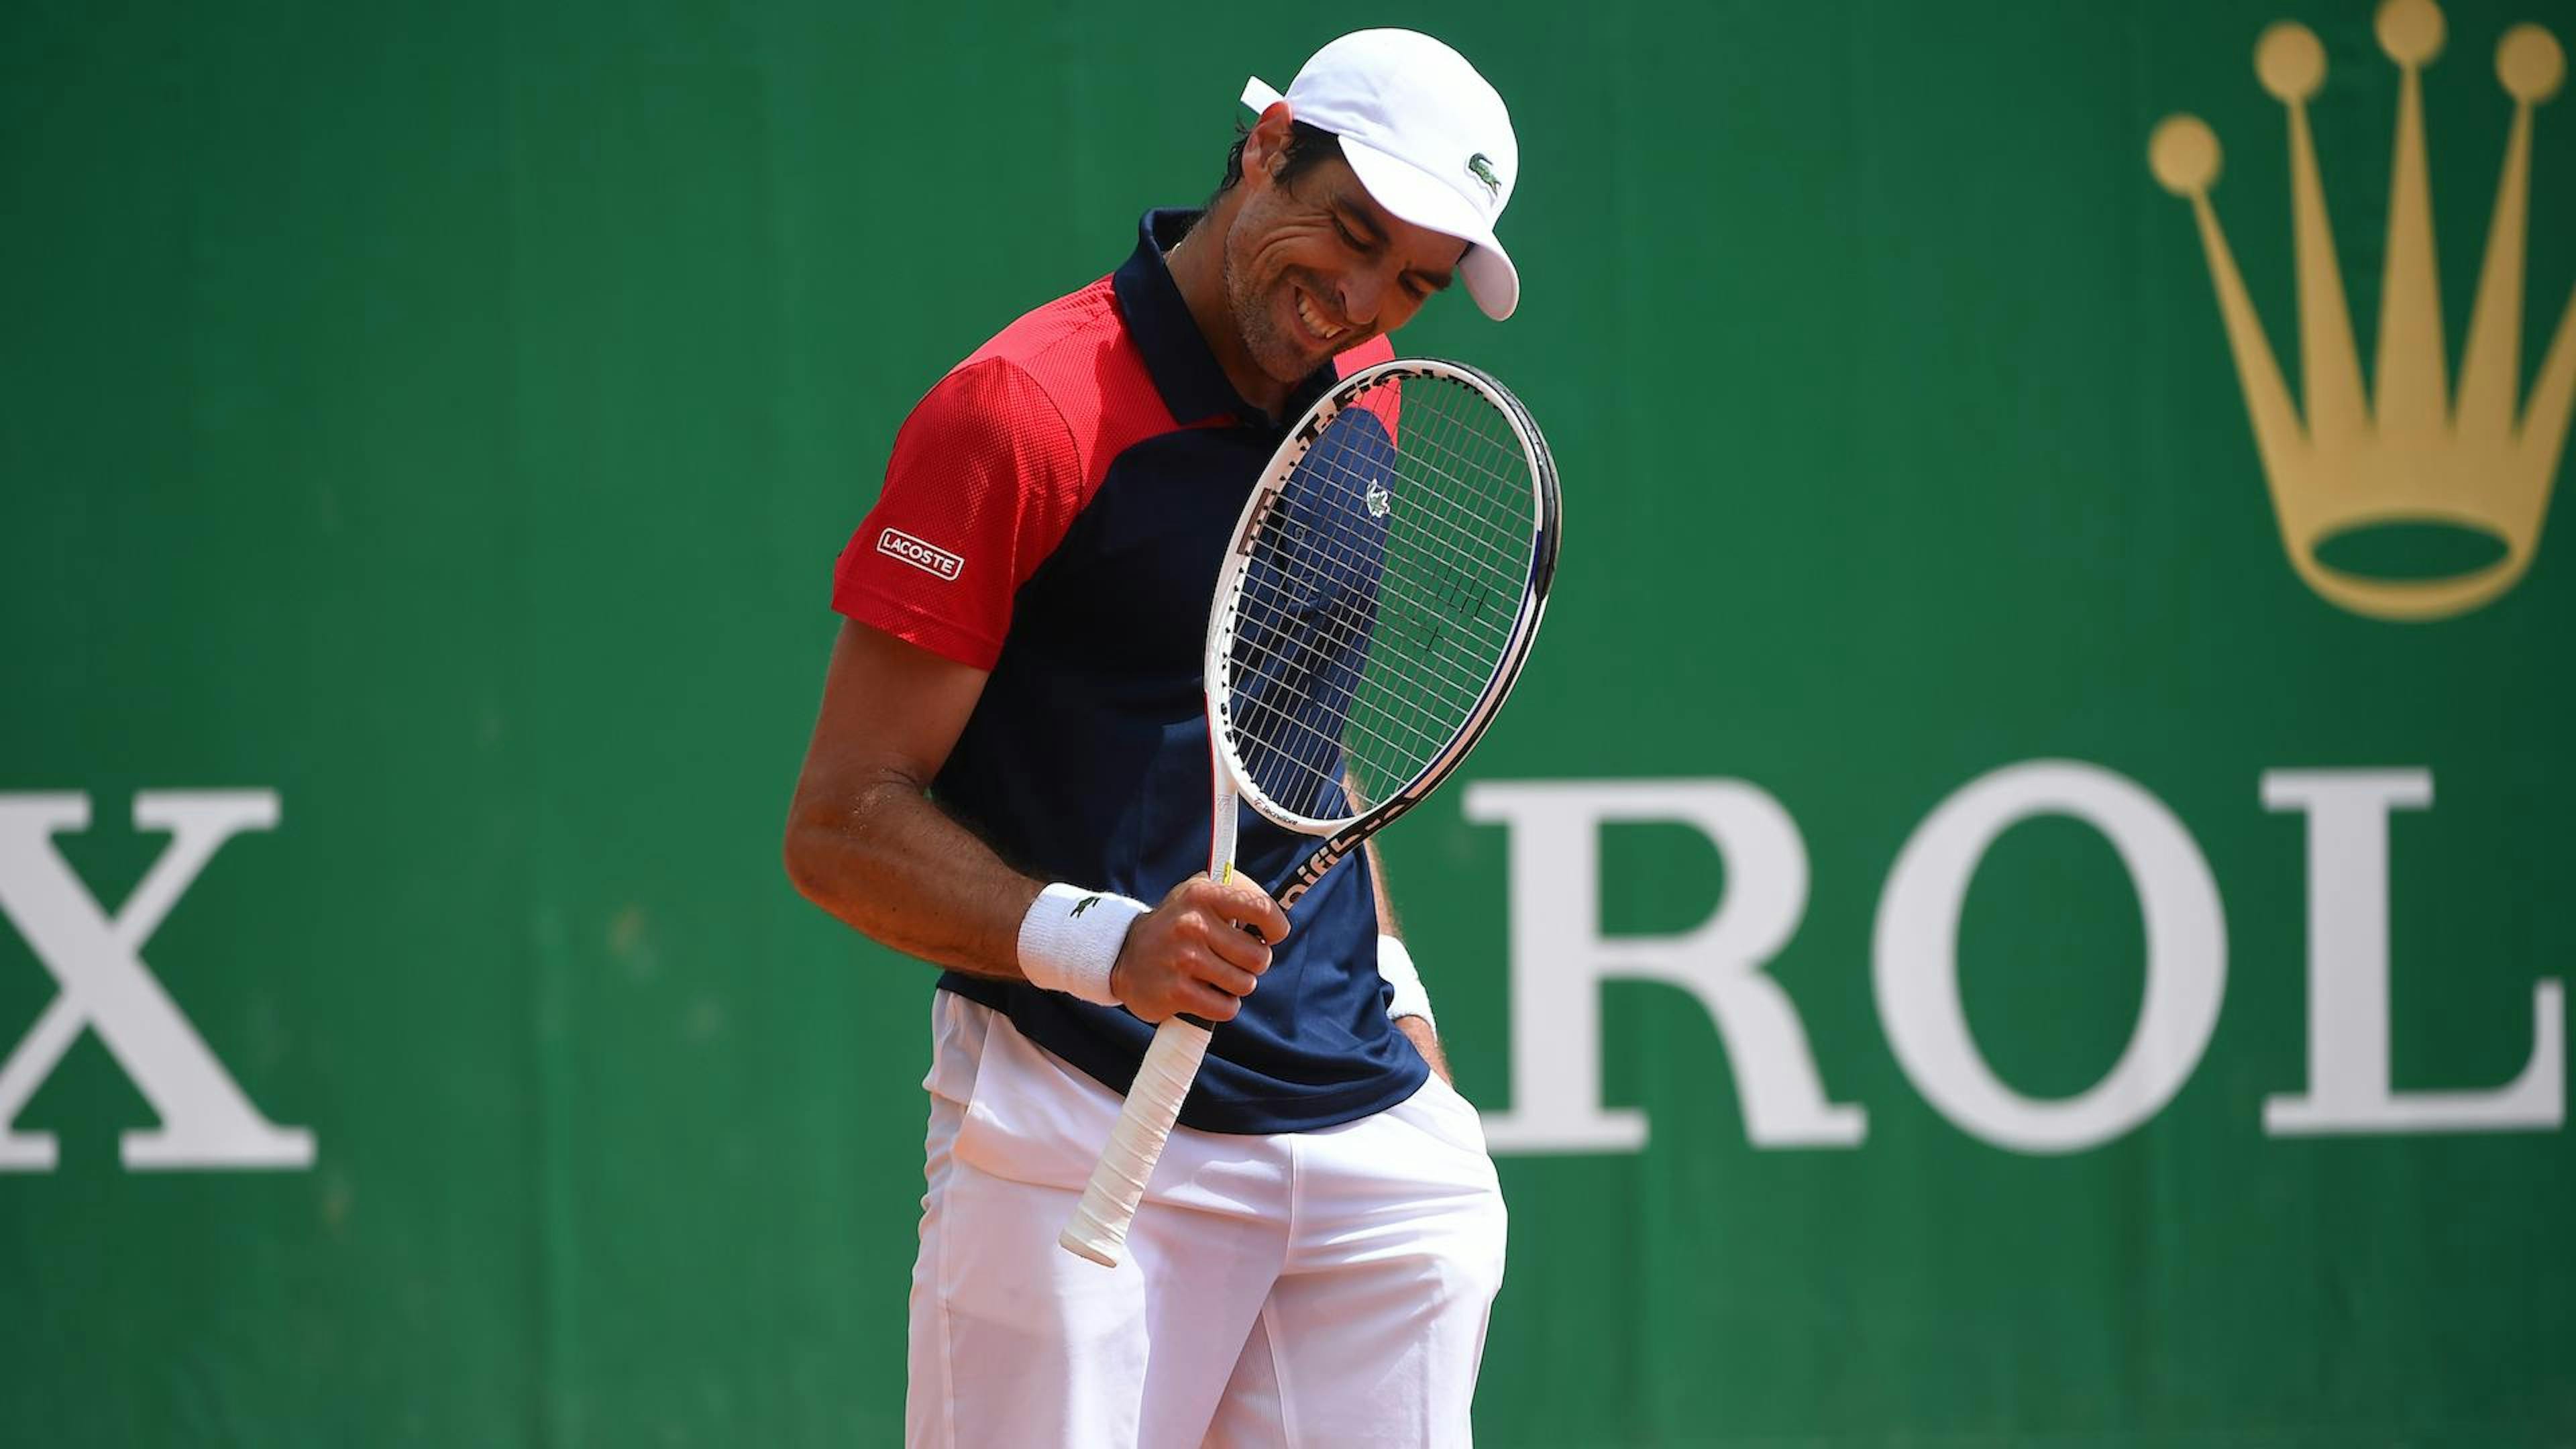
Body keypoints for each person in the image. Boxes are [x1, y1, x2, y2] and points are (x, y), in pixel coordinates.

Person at [784, 29, 1522, 1448]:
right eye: (1351, 231)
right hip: (1081, 1130)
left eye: (1413, 280)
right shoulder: (1023, 410)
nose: (1358, 299)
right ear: (1265, 147)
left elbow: (1297, 739)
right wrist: (1109, 948)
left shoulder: (1365, 393)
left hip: (1359, 1126)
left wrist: (1401, 996)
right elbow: (840, 821)